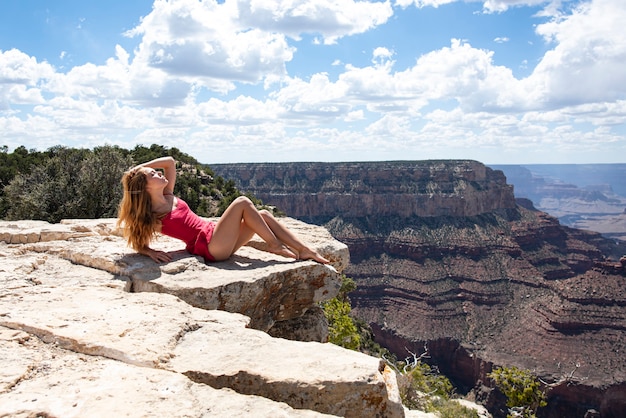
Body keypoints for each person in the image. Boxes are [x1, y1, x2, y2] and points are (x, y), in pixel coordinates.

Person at [117, 156, 329, 265]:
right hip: (210, 247)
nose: (159, 173)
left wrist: (137, 168)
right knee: (242, 202)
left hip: (217, 236)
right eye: (153, 174)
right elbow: (137, 238)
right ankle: (274, 245)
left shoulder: (168, 195)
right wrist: (148, 251)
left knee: (263, 215)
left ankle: (305, 251)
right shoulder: (153, 215)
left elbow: (170, 163)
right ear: (145, 187)